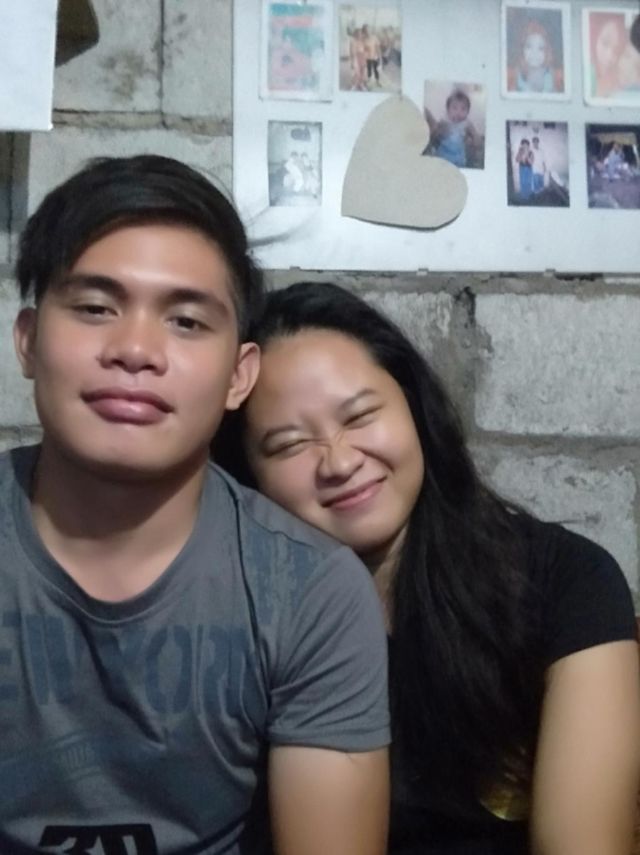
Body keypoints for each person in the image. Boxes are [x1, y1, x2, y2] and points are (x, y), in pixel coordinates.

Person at [1, 158, 390, 854]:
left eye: (185, 321)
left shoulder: (309, 591)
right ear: (27, 340)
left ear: (240, 376)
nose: (135, 350)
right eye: (95, 308)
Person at [215, 281, 640, 855]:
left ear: (414, 405)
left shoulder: (566, 581)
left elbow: (583, 843)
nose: (338, 461)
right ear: (247, 475)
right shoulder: (238, 613)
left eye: (360, 415)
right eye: (289, 445)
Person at [423, 90, 481, 169]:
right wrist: (439, 132)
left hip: (458, 156)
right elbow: (434, 135)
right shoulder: (444, 122)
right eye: (454, 108)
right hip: (443, 154)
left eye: (463, 109)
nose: (458, 112)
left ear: (468, 112)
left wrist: (475, 139)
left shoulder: (467, 124)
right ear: (448, 110)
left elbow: (476, 136)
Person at [512, 20, 558, 93]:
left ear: (547, 51)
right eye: (529, 46)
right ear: (522, 49)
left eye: (540, 48)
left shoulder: (550, 76)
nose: (534, 53)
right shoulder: (517, 75)